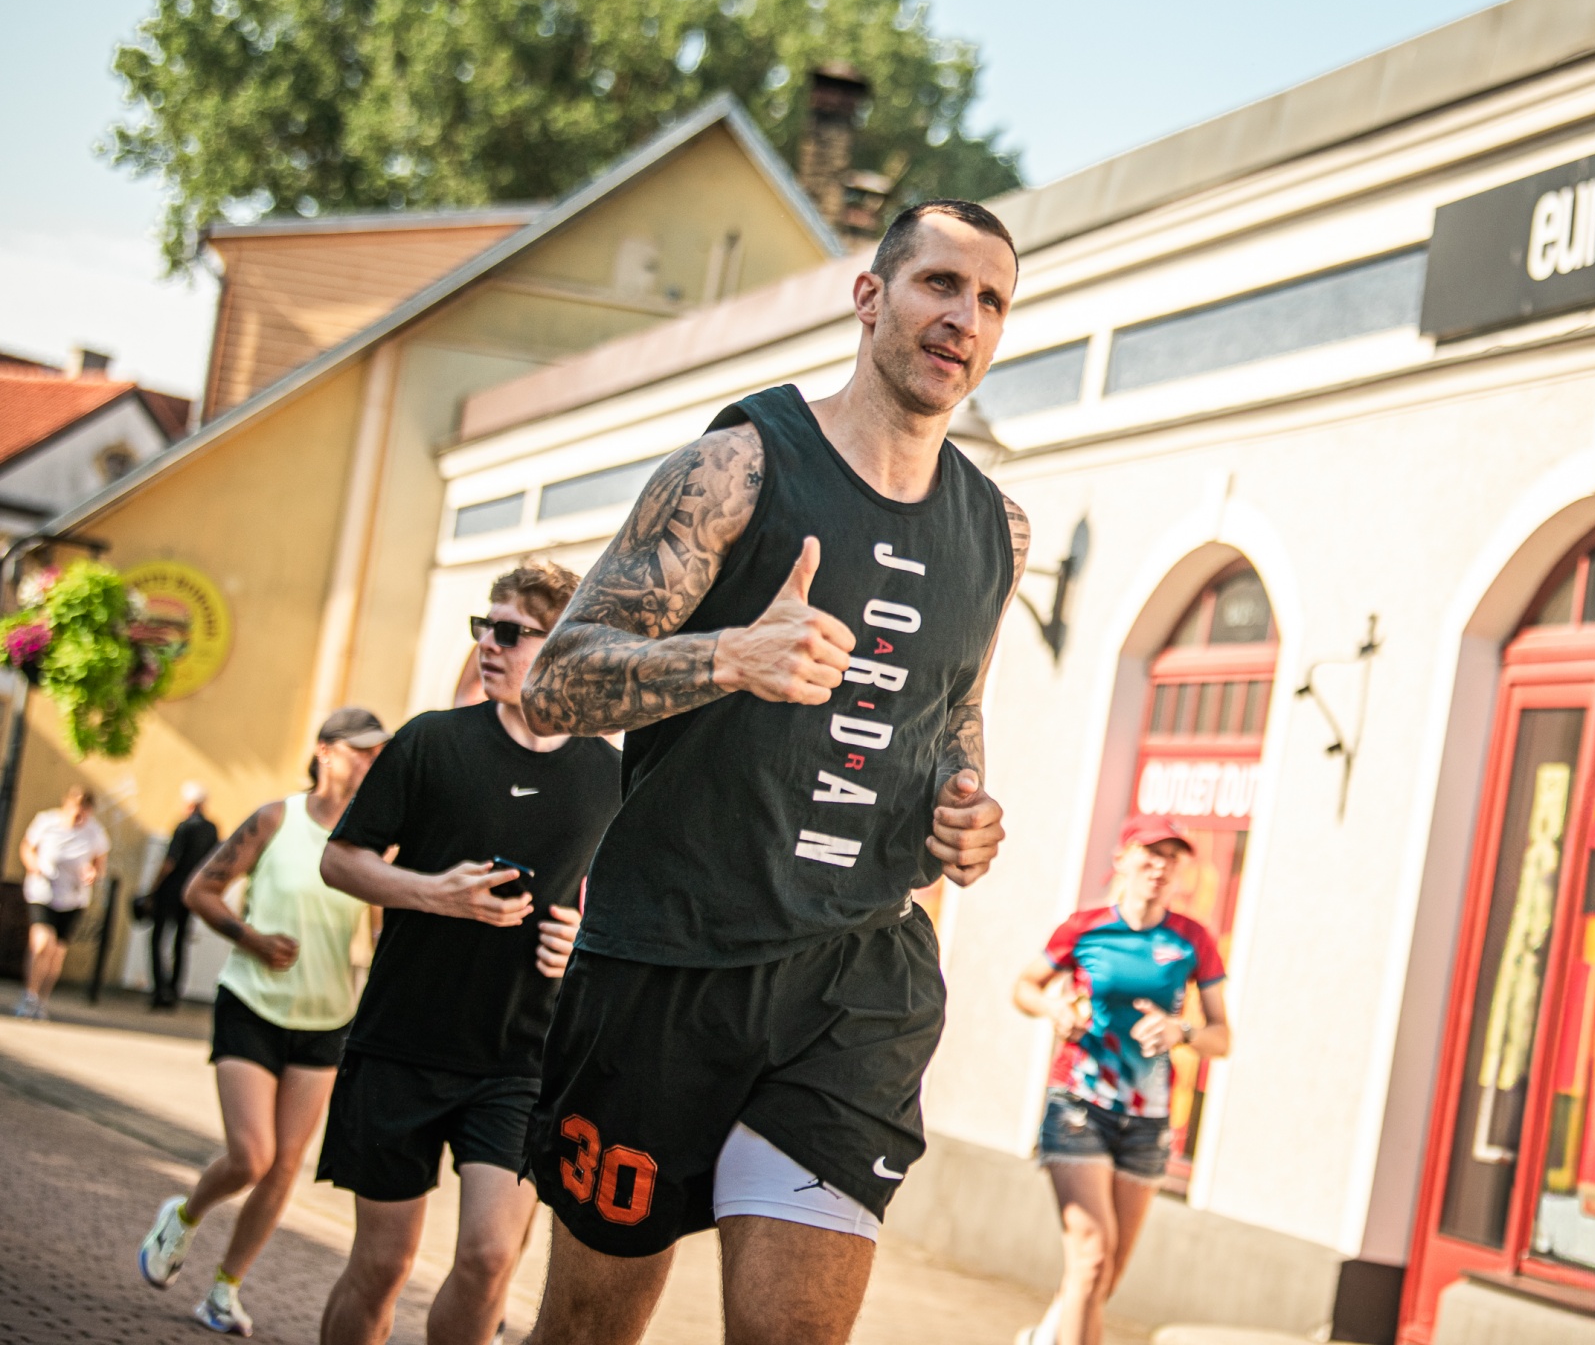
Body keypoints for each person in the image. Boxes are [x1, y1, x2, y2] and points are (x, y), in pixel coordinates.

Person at [516, 198, 1030, 1345]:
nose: (965, 317)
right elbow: (556, 683)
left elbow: (954, 709)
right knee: (587, 1331)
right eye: (940, 284)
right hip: (667, 961)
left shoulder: (999, 529)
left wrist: (964, 807)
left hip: (854, 981)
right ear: (870, 297)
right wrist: (728, 658)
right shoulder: (738, 465)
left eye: (992, 300)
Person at [315, 562, 622, 1345]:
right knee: (383, 1264)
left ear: (566, 645)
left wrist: (584, 944)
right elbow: (340, 860)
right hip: (403, 1042)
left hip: (521, 1059)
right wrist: (432, 892)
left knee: (489, 1258)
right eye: (485, 627)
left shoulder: (608, 773)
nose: (488, 644)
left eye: (511, 632)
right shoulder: (430, 741)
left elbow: (625, 905)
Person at [135, 707, 391, 1337]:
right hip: (251, 1003)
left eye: (377, 753)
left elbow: (383, 933)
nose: (370, 762)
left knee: (283, 1167)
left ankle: (224, 1290)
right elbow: (199, 890)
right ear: (324, 750)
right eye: (359, 750)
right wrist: (250, 939)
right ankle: (183, 1216)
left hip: (327, 1018)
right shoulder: (277, 818)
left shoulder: (377, 842)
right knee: (252, 1155)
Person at [1011, 816, 1234, 1345]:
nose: (1161, 867)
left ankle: (1045, 1337)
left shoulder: (1192, 939)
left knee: (1104, 1276)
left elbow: (1222, 1037)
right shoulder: (1084, 927)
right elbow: (1024, 987)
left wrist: (1181, 1030)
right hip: (1079, 1106)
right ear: (1122, 860)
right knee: (1090, 1258)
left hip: (1147, 1122)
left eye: (1172, 858)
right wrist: (1053, 1008)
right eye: (1150, 854)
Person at [14, 784, 109, 1020]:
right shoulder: (47, 822)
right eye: (75, 808)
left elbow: (99, 865)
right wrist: (33, 865)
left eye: (83, 810)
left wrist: (92, 873)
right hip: (43, 892)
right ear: (66, 804)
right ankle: (29, 995)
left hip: (73, 898)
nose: (78, 814)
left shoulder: (95, 832)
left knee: (56, 953)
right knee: (42, 943)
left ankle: (42, 1000)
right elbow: (27, 847)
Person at [148, 781, 220, 1009]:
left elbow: (170, 862)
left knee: (158, 939)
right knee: (180, 941)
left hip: (171, 889)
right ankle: (174, 991)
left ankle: (160, 990)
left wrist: (153, 888)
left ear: (189, 804)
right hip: (191, 892)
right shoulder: (212, 829)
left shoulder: (183, 827)